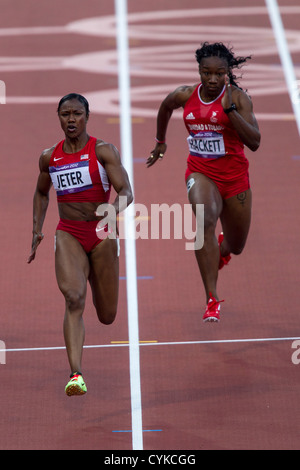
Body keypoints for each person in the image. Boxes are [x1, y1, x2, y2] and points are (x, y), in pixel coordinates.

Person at [147, 42, 261, 323]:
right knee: (204, 218)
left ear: (226, 73)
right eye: (206, 73)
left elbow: (255, 142)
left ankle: (221, 252)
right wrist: (161, 141)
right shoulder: (185, 95)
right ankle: (212, 298)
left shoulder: (238, 98)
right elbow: (165, 107)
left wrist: (231, 111)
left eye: (218, 74)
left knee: (236, 246)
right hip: (200, 172)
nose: (211, 79)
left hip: (235, 179)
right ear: (199, 70)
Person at [28, 93, 133, 396]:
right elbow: (41, 192)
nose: (71, 119)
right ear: (58, 118)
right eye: (64, 114)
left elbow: (126, 190)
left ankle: (100, 308)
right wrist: (37, 229)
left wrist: (112, 212)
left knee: (107, 315)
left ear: (87, 116)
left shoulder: (103, 152)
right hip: (69, 233)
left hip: (101, 235)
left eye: (76, 113)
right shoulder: (50, 157)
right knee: (74, 298)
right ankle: (76, 374)